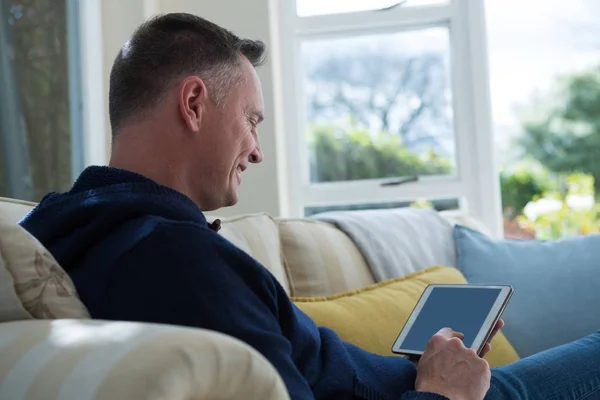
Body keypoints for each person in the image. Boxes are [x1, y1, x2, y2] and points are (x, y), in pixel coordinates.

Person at [19, 13, 600, 400]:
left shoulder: (80, 227)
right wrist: (440, 393)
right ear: (194, 104)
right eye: (251, 121)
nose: (257, 151)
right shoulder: (170, 256)